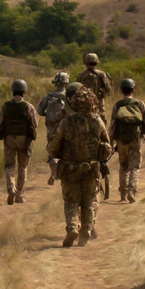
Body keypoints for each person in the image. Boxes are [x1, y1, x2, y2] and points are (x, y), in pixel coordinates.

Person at [52, 84, 109, 246]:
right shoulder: (98, 122)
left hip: (70, 169)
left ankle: (72, 228)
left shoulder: (66, 122)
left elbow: (52, 147)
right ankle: (86, 232)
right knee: (89, 202)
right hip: (91, 169)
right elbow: (107, 146)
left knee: (71, 201)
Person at [0, 79, 41, 203]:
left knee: (9, 166)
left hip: (9, 138)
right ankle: (19, 196)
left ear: (13, 91)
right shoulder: (28, 106)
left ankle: (11, 188)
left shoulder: (6, 106)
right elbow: (35, 124)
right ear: (24, 91)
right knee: (23, 167)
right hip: (24, 140)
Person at [109, 78, 145, 202]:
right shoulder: (139, 104)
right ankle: (132, 190)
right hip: (136, 140)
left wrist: (111, 142)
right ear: (133, 89)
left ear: (121, 90)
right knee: (134, 167)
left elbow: (112, 126)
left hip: (121, 141)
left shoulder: (117, 105)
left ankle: (123, 193)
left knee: (123, 166)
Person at [40, 70, 72, 183]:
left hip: (51, 127)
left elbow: (39, 111)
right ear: (66, 83)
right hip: (66, 127)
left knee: (51, 148)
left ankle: (53, 172)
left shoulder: (48, 97)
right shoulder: (69, 97)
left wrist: (48, 115)